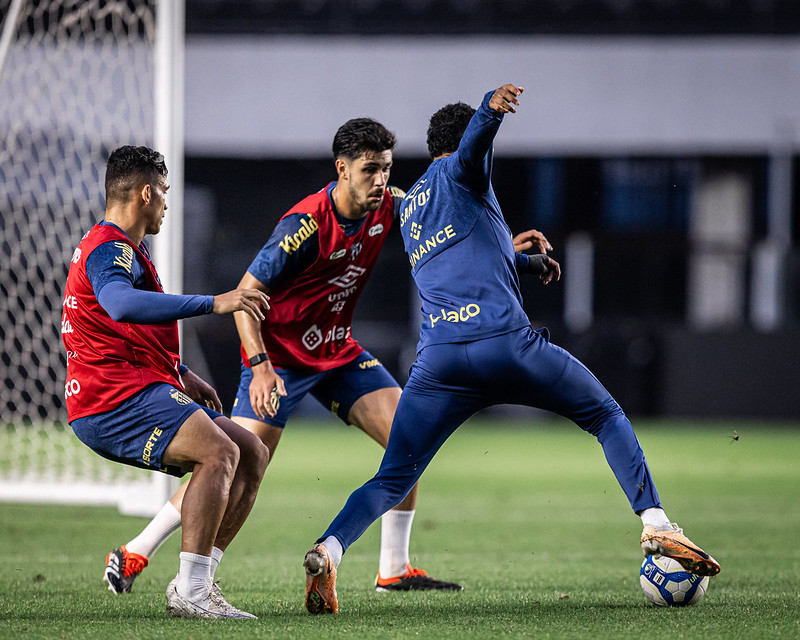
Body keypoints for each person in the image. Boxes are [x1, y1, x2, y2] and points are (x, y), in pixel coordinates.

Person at [302, 84, 722, 615]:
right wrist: (489, 110)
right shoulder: (462, 170)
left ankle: (329, 548)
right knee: (605, 414)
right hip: (506, 346)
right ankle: (657, 525)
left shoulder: (410, 213)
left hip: (439, 363)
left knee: (392, 476)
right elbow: (473, 152)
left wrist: (524, 261)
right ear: (455, 147)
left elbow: (465, 259)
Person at [102, 119, 548, 596]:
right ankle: (136, 551)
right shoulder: (304, 226)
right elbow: (246, 297)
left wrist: (511, 253)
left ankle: (394, 568)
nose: (381, 180)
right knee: (230, 461)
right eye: (370, 169)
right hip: (279, 360)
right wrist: (260, 368)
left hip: (336, 350)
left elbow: (446, 224)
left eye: (387, 169)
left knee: (410, 432)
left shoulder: (391, 205)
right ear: (342, 169)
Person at [62, 145, 271, 619]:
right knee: (221, 453)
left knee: (251, 453)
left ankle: (197, 583)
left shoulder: (121, 247)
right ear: (146, 192)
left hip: (139, 385)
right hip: (112, 400)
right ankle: (191, 592)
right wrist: (213, 302)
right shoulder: (110, 247)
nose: (167, 205)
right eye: (166, 194)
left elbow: (119, 329)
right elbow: (120, 305)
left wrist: (181, 373)